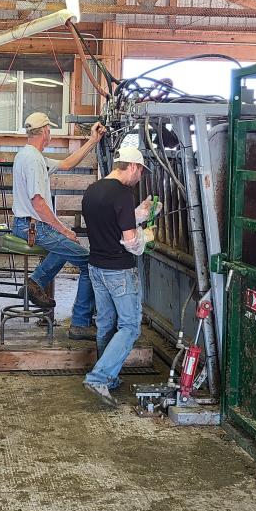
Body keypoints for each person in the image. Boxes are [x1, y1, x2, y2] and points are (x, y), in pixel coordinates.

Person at [12, 113, 107, 340]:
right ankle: (80, 324)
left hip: (26, 223)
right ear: (45, 131)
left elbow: (66, 164)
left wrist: (92, 141)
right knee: (89, 262)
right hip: (34, 226)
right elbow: (39, 203)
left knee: (65, 248)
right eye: (50, 130)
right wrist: (64, 229)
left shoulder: (28, 154)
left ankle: (35, 283)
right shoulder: (34, 160)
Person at [80, 144, 156, 407]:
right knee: (130, 326)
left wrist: (141, 213)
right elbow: (130, 241)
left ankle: (108, 379)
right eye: (141, 172)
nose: (140, 178)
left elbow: (111, 222)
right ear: (132, 166)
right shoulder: (123, 194)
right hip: (119, 270)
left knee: (105, 323)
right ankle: (100, 377)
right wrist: (146, 235)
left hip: (96, 266)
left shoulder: (93, 190)